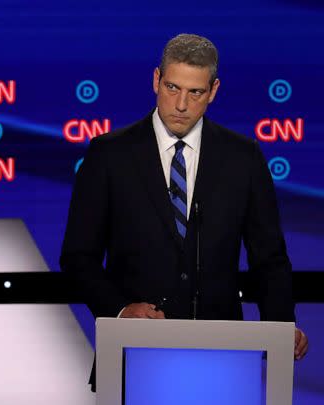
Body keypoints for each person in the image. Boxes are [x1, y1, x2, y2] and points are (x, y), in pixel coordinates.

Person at [60, 34, 308, 390]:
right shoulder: (109, 154)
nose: (180, 104)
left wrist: (282, 327)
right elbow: (77, 257)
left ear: (214, 90)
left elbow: (269, 259)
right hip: (133, 356)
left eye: (194, 92)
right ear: (156, 80)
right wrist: (120, 310)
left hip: (223, 357)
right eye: (172, 87)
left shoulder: (243, 158)